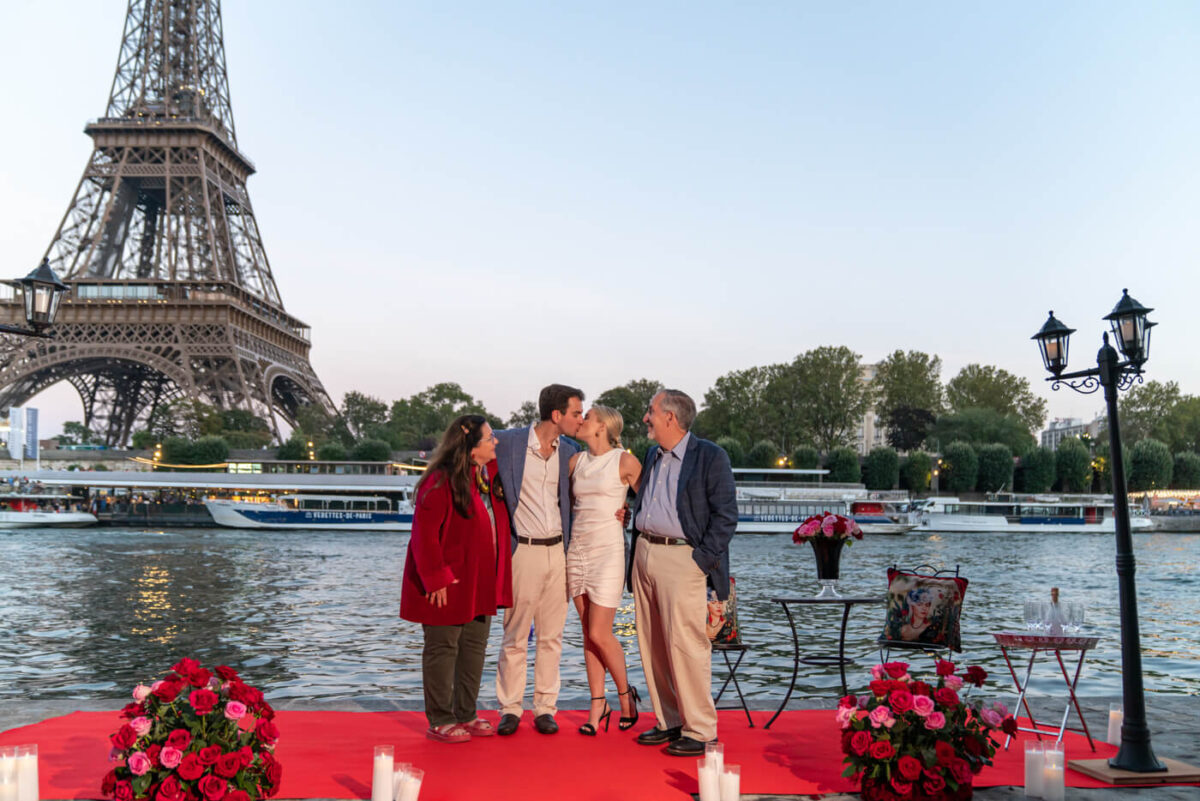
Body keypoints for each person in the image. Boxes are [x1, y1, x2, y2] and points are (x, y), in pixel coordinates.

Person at [627, 389, 737, 756]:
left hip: (682, 560)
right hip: (645, 553)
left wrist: (700, 560)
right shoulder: (652, 455)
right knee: (653, 644)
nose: (646, 418)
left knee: (687, 646)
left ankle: (701, 730)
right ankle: (670, 721)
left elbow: (725, 517)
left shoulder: (710, 456)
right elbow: (655, 502)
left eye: (651, 412)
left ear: (670, 418)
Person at [400, 414, 512, 744]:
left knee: (473, 649)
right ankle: (440, 718)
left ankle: (466, 711)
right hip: (447, 585)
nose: (496, 442)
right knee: (443, 648)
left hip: (478, 582)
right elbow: (424, 534)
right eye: (490, 438)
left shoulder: (480, 478)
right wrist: (435, 579)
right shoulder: (439, 480)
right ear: (470, 445)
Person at [493, 384, 584, 735]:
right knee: (515, 635)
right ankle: (510, 709)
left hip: (557, 552)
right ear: (556, 415)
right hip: (523, 551)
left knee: (552, 637)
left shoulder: (570, 452)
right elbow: (473, 446)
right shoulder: (509, 442)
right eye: (576, 413)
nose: (580, 419)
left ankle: (545, 707)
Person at [567, 405, 643, 735]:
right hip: (577, 551)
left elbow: (652, 500)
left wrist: (631, 514)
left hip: (609, 552)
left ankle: (626, 696)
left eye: (589, 417)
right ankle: (598, 703)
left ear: (602, 427)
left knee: (600, 631)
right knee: (588, 633)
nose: (582, 421)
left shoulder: (624, 461)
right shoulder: (575, 462)